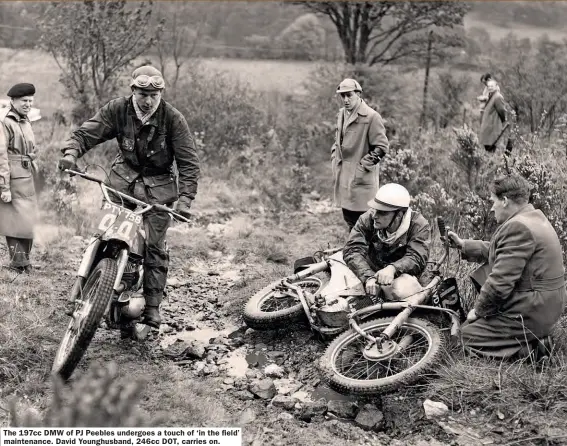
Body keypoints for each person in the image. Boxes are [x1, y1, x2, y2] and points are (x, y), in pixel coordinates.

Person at [57, 65, 200, 328]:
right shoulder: (118, 109)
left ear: (161, 94)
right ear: (133, 90)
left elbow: (189, 163)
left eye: (153, 95)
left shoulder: (173, 119)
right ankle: (85, 287)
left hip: (158, 191)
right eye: (143, 93)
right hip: (121, 182)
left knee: (154, 246)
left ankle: (152, 306)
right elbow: (86, 133)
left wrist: (185, 201)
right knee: (103, 235)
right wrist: (71, 154)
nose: (147, 101)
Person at [447, 174, 566, 359]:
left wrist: (477, 311)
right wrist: (463, 245)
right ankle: (530, 341)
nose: (492, 207)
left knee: (462, 337)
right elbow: (504, 253)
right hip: (546, 304)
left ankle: (533, 350)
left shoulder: (518, 227)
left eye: (493, 201)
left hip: (532, 310)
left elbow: (500, 284)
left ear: (504, 201)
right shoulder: (532, 218)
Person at [343, 183, 431, 303]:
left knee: (405, 294)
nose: (374, 216)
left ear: (399, 215)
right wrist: (368, 276)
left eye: (382, 212)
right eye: (375, 209)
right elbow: (352, 249)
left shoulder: (419, 225)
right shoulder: (367, 218)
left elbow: (417, 257)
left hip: (402, 276)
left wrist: (393, 268)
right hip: (370, 270)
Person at [331, 78, 389, 233]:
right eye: (342, 96)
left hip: (362, 183)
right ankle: (353, 253)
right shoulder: (342, 114)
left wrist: (362, 167)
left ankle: (363, 255)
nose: (345, 99)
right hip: (344, 178)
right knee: (349, 221)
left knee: (365, 225)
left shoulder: (371, 116)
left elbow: (382, 147)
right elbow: (338, 140)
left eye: (349, 95)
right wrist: (334, 157)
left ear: (358, 94)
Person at [0, 83, 39, 274]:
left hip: (28, 176)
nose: (28, 104)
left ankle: (25, 261)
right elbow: (1, 155)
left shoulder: (25, 121)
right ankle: (19, 263)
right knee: (14, 220)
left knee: (28, 219)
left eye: (30, 100)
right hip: (13, 177)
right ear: (13, 101)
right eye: (24, 100)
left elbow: (30, 148)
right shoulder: (5, 122)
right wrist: (4, 187)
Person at [479, 79, 507, 152]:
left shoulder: (498, 97)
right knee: (488, 148)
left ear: (496, 86)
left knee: (491, 148)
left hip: (493, 127)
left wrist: (504, 121)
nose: (490, 87)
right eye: (489, 86)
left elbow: (501, 110)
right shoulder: (491, 95)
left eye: (492, 86)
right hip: (488, 127)